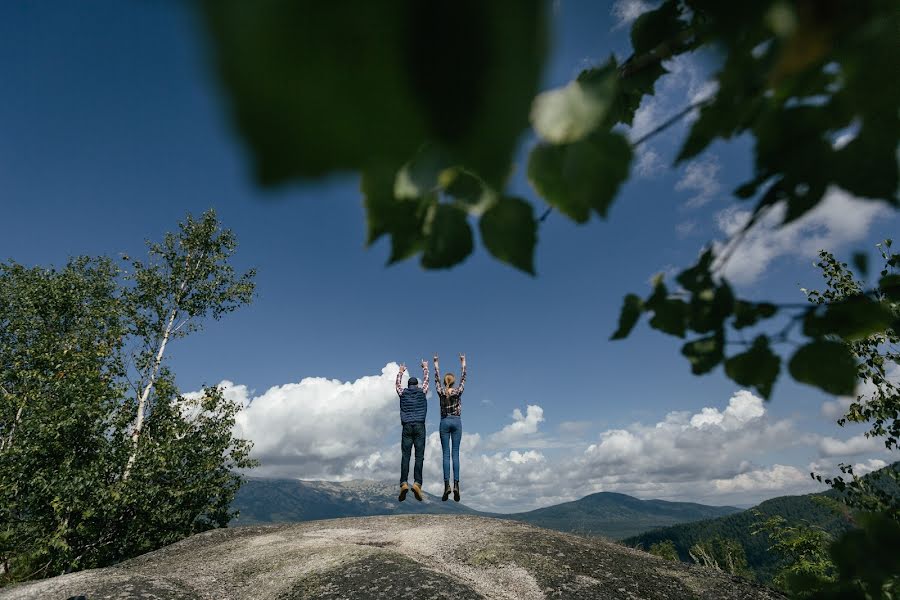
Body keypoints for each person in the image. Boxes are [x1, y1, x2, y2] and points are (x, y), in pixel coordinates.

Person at [433, 353, 466, 502]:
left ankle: (446, 486)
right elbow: (464, 376)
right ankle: (456, 486)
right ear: (453, 382)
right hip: (457, 422)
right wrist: (463, 362)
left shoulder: (441, 392)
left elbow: (436, 379)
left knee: (446, 455)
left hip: (444, 422)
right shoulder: (458, 391)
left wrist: (436, 364)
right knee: (455, 454)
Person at [396, 360, 429, 502]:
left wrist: (401, 371)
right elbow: (427, 380)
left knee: (406, 456)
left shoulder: (402, 393)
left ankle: (403, 483)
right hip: (420, 426)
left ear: (408, 385)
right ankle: (417, 483)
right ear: (417, 385)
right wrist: (426, 368)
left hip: (407, 426)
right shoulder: (423, 391)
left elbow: (397, 384)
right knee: (419, 457)